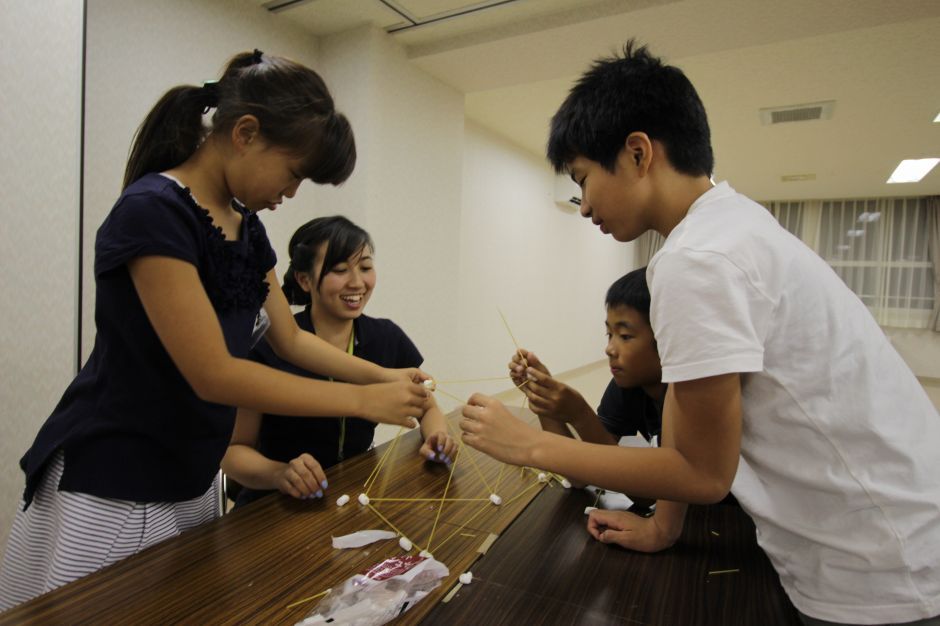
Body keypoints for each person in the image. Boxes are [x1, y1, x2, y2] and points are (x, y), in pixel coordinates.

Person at [459, 41, 940, 625]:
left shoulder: (700, 259)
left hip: (885, 568)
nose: (583, 206)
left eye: (583, 180)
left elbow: (704, 472)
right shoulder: (724, 230)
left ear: (638, 153)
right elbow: (686, 441)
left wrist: (529, 444)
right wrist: (663, 526)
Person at [0, 50, 431, 610]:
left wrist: (389, 375)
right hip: (120, 476)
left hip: (193, 472)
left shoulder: (248, 228)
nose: (292, 194)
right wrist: (362, 399)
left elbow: (290, 340)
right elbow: (213, 373)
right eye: (294, 173)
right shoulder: (154, 211)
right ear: (246, 133)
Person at [222, 216, 457, 507]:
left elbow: (425, 403)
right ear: (304, 279)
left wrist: (437, 436)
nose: (357, 282)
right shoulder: (268, 345)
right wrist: (280, 473)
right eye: (340, 269)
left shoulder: (386, 336)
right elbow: (234, 451)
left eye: (366, 267)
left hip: (357, 495)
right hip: (277, 506)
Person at [511, 267, 688, 553]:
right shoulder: (628, 385)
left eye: (625, 336)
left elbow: (647, 497)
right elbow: (581, 475)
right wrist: (543, 400)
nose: (609, 348)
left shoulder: (688, 394)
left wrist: (580, 414)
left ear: (668, 338)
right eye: (609, 334)